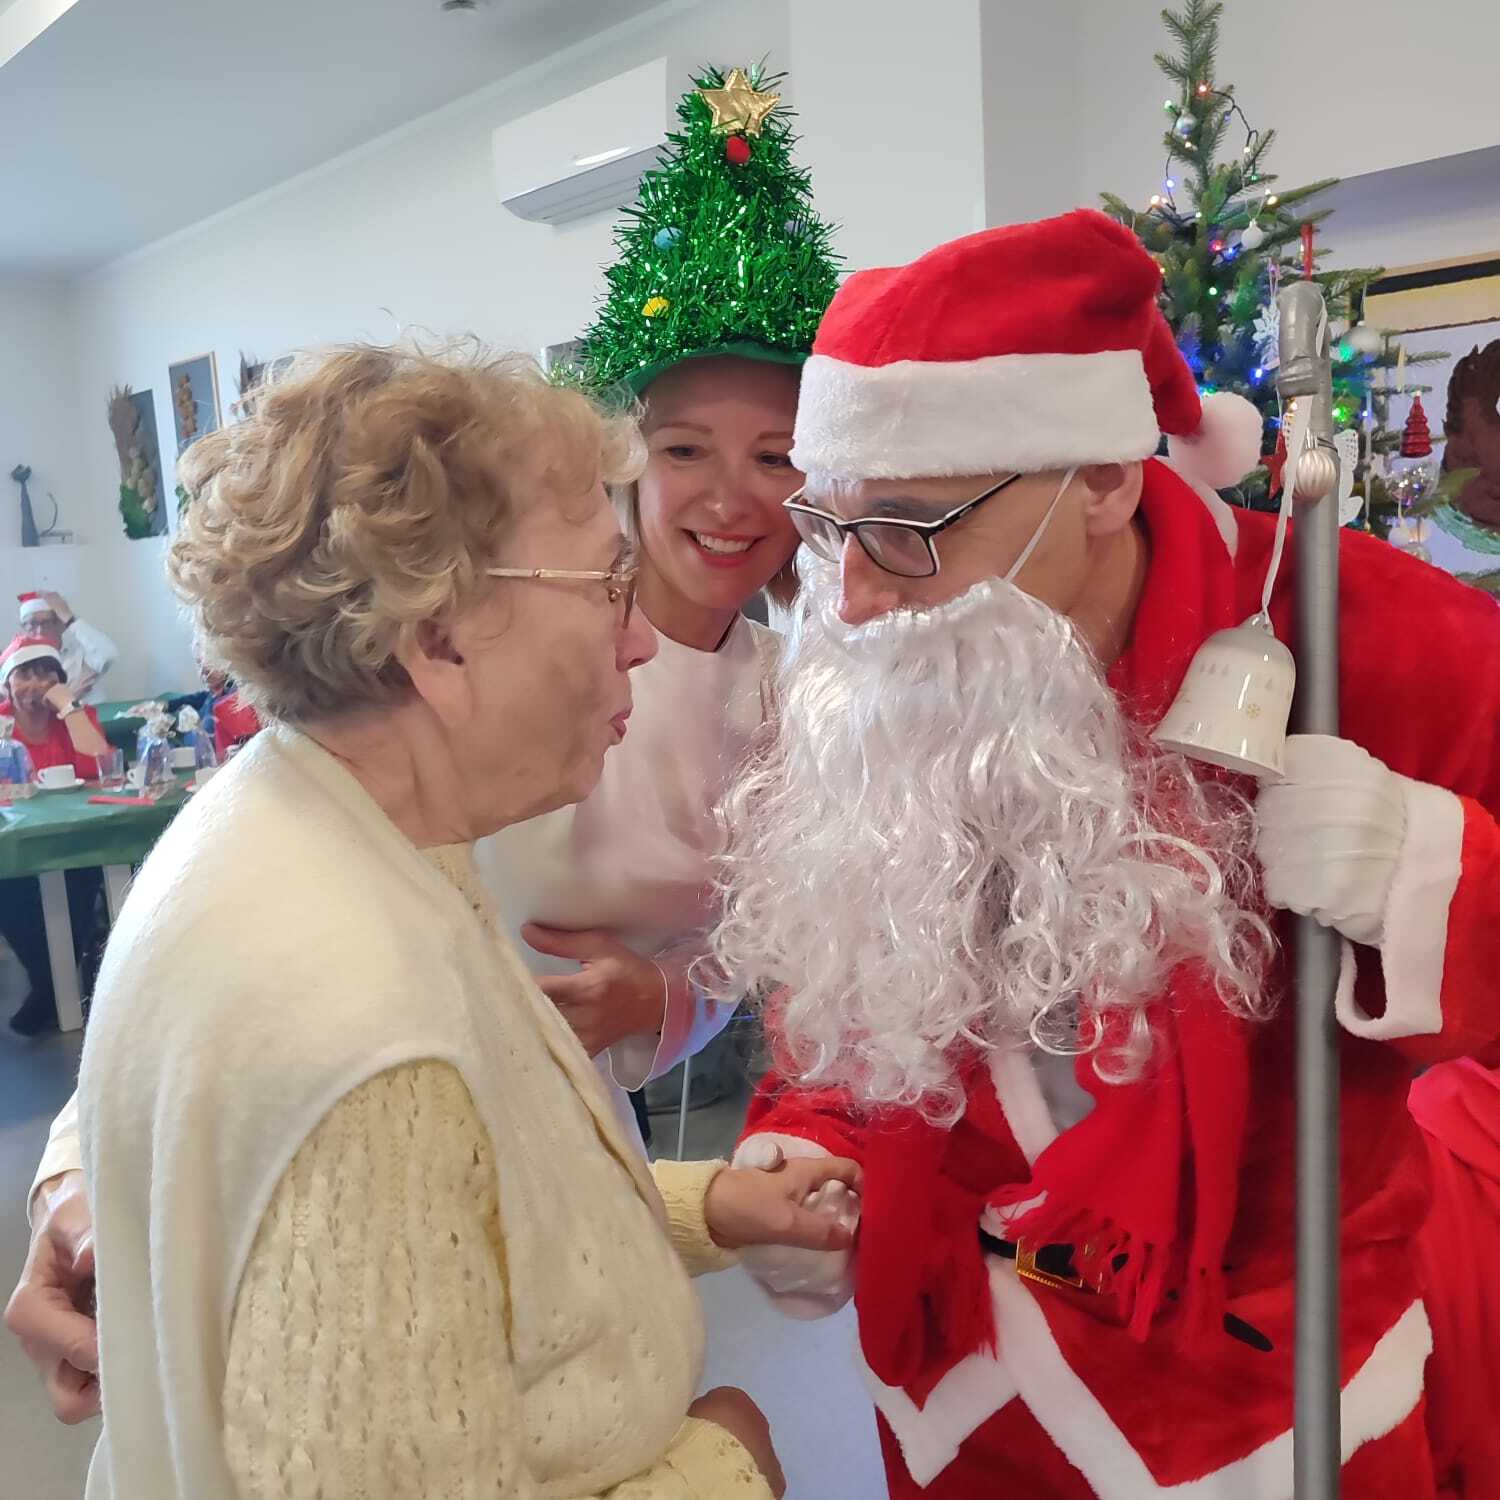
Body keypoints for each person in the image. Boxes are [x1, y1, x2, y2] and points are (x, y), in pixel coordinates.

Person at [6, 59, 842, 1430]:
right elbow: (282, 1038)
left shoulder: (336, 817)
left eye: (781, 455)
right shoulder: (361, 959)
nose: (637, 641)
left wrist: (705, 1160)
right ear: (441, 639)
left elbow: (504, 1177)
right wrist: (732, 1458)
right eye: (604, 581)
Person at [714, 211, 1500, 1496]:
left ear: (1102, 481)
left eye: (911, 526)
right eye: (829, 527)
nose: (850, 599)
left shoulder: (1385, 643)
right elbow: (857, 974)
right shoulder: (876, 645)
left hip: (1266, 1396)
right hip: (957, 1382)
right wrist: (815, 1136)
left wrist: (1432, 882)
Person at [0, 634, 111, 1037]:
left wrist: (68, 707)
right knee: (7, 891)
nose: (36, 684)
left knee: (82, 878)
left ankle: (52, 991)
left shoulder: (74, 717)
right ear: (7, 684)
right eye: (24, 674)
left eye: (47, 673)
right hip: (15, 847)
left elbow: (103, 767)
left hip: (72, 844)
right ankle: (55, 988)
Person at [16, 592, 118, 704]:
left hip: (95, 715)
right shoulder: (20, 662)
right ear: (24, 627)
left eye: (47, 622)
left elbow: (109, 655)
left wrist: (69, 618)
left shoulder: (80, 650)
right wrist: (69, 696)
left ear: (61, 624)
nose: (40, 631)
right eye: (32, 624)